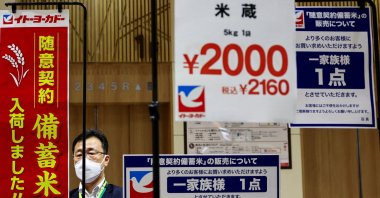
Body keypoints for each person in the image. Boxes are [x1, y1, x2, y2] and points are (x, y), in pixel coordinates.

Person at [70, 129, 122, 198]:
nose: (85, 160)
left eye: (91, 153)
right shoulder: (66, 196)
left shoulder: (123, 194)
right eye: (79, 155)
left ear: (106, 160)